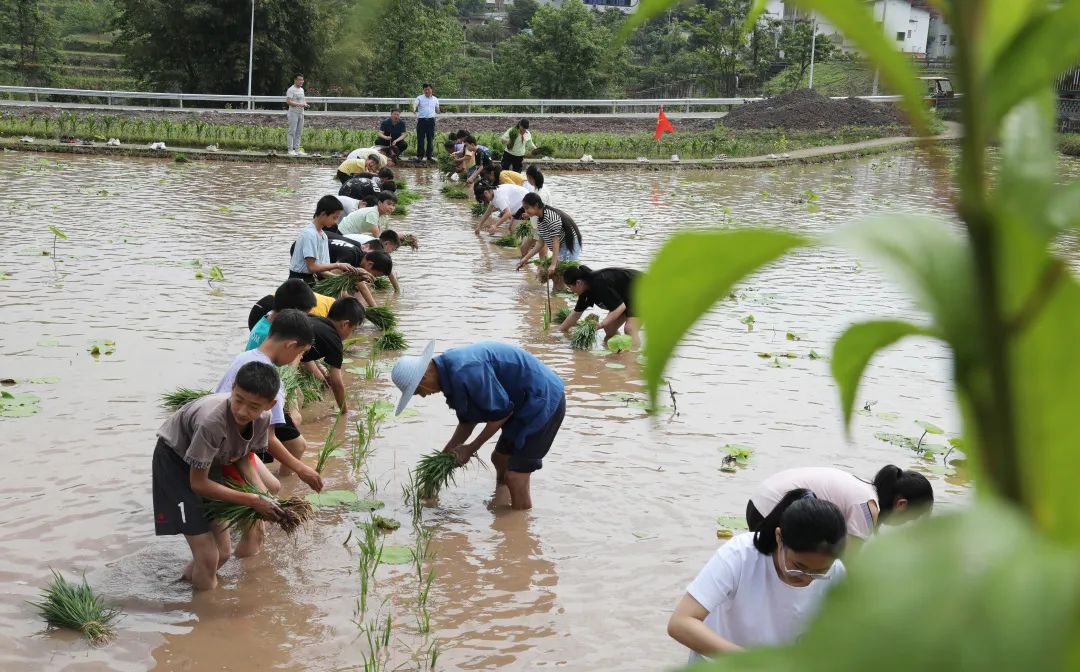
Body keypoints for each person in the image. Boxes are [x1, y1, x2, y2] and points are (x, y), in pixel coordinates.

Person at [667, 490, 847, 660]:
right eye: (798, 566)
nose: (807, 578)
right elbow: (681, 622)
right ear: (779, 537)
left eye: (819, 573)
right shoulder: (740, 555)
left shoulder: (836, 572)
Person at [152, 361, 285, 590]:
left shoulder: (262, 420)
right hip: (174, 462)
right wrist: (254, 500)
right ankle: (205, 617)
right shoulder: (212, 422)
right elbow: (199, 483)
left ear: (270, 405)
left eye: (253, 406)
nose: (243, 411)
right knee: (208, 556)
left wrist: (262, 494)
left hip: (208, 461)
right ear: (232, 388)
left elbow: (243, 456)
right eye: (238, 400)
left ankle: (181, 586)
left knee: (223, 553)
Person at [391, 341, 566, 511]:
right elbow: (467, 422)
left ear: (424, 377)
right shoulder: (449, 372)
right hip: (520, 402)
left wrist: (470, 449)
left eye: (418, 391)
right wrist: (441, 461)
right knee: (499, 458)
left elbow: (501, 413)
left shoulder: (465, 370)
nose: (423, 395)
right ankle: (501, 500)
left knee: (515, 477)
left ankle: (519, 524)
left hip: (542, 401)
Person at [216, 310, 325, 487]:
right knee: (267, 492)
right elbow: (269, 438)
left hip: (232, 436)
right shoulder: (271, 380)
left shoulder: (244, 357)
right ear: (291, 345)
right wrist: (301, 469)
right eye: (300, 353)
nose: (298, 358)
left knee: (274, 487)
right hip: (226, 446)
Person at [747, 465, 934, 542]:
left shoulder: (864, 489)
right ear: (901, 505)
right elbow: (847, 564)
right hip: (769, 513)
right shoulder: (868, 508)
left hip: (760, 502)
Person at [301, 297, 364, 413]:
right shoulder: (334, 341)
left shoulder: (316, 320)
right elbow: (337, 383)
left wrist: (322, 377)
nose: (351, 334)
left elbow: (304, 356)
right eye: (353, 330)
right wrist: (344, 412)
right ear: (345, 324)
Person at [559, 266, 641, 348]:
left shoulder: (599, 283)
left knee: (630, 329)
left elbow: (620, 307)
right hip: (627, 297)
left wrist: (601, 324)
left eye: (570, 287)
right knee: (609, 328)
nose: (570, 290)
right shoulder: (585, 291)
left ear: (578, 283)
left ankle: (633, 357)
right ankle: (618, 352)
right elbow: (575, 314)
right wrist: (560, 331)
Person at [289, 196, 357, 286]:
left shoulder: (323, 236)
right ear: (323, 214)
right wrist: (338, 265)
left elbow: (321, 270)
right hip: (298, 281)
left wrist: (343, 279)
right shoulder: (310, 234)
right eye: (334, 218)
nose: (335, 222)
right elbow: (312, 267)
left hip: (310, 279)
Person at [246, 279, 329, 351]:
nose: (305, 319)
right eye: (304, 315)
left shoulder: (265, 320)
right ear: (293, 311)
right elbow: (287, 367)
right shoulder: (273, 336)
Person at [516, 193, 583, 281]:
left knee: (564, 275)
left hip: (568, 244)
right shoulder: (540, 219)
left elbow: (556, 241)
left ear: (536, 206)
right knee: (557, 276)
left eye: (527, 208)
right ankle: (556, 294)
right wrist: (524, 259)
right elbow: (540, 244)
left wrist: (553, 264)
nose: (525, 211)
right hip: (561, 245)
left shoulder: (550, 217)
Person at [413, 83, 440, 162]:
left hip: (431, 121)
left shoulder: (435, 99)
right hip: (421, 120)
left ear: (431, 90)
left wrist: (441, 111)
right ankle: (420, 156)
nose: (427, 91)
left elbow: (437, 110)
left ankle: (429, 156)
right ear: (423, 90)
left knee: (430, 139)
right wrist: (414, 109)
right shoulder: (419, 98)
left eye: (428, 89)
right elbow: (415, 105)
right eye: (425, 90)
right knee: (420, 138)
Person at [285, 74, 308, 156]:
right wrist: (299, 104)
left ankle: (297, 149)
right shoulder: (291, 90)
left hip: (301, 113)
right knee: (292, 131)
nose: (301, 81)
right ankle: (290, 150)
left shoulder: (302, 90)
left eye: (302, 80)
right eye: (300, 80)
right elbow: (289, 101)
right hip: (293, 113)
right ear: (295, 80)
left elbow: (303, 100)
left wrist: (305, 104)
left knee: (299, 132)